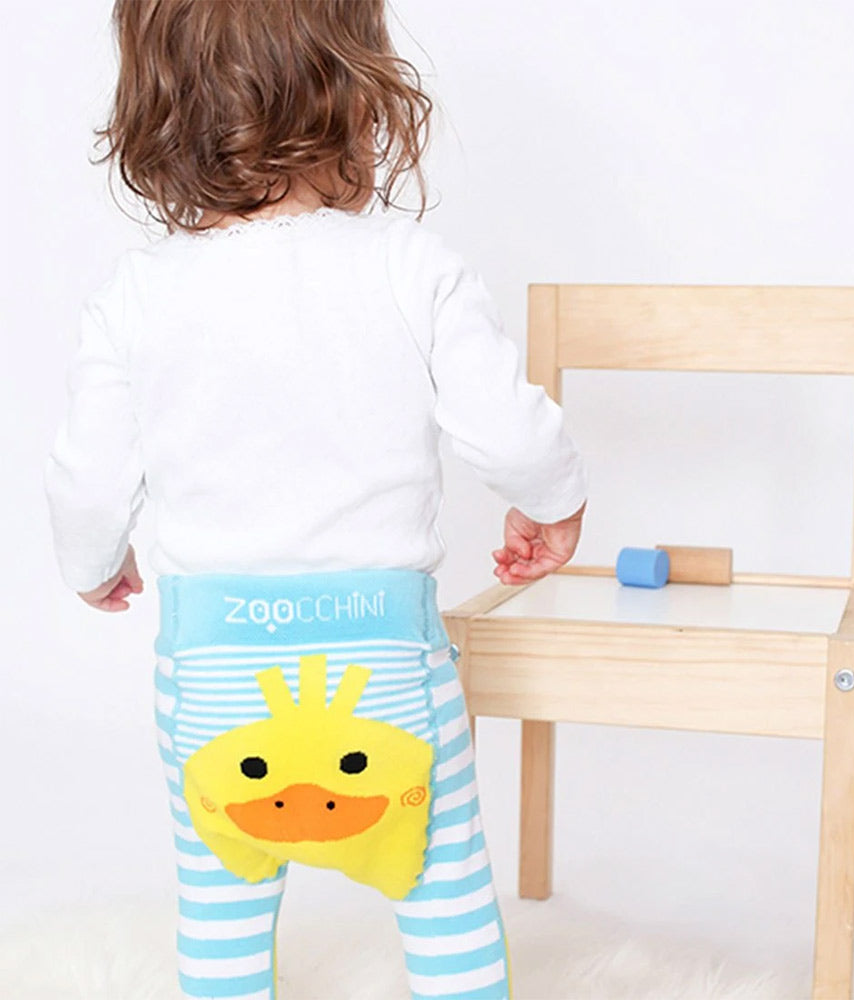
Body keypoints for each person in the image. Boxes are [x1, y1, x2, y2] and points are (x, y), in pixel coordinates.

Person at [43, 2, 587, 999]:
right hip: (389, 666)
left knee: (219, 898)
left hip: (214, 675)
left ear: (161, 110)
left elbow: (85, 476)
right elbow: (511, 434)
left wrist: (93, 563)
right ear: (358, 92)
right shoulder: (411, 266)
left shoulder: (136, 294)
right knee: (444, 886)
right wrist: (553, 502)